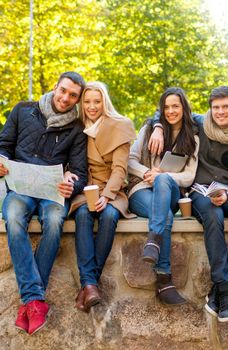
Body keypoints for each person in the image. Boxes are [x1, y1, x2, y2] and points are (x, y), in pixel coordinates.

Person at [148, 86, 228, 322]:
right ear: (210, 109)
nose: (220, 112)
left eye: (225, 107)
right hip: (201, 192)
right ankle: (226, 291)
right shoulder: (200, 123)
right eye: (215, 107)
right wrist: (158, 128)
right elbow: (168, 111)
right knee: (213, 216)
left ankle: (220, 288)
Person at [0, 71, 88, 335]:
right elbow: (2, 146)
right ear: (55, 87)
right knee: (12, 216)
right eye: (63, 91)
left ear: (77, 100)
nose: (65, 98)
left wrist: (73, 182)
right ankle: (35, 300)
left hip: (52, 192)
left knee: (55, 220)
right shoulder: (23, 111)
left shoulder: (77, 128)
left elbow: (79, 171)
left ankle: (30, 301)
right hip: (20, 188)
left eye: (73, 96)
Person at [127, 87, 199, 305]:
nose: (170, 111)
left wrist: (163, 176)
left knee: (163, 180)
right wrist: (146, 173)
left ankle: (154, 241)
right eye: (166, 107)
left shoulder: (193, 138)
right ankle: (164, 280)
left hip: (170, 192)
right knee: (165, 217)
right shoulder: (149, 130)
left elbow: (189, 176)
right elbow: (129, 161)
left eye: (175, 106)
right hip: (140, 190)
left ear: (184, 108)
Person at [69, 81, 136, 313]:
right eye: (87, 102)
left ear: (104, 102)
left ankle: (88, 284)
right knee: (83, 215)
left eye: (97, 101)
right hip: (87, 187)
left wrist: (107, 196)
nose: (92, 106)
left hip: (113, 188)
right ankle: (91, 286)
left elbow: (120, 169)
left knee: (108, 216)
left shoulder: (120, 125)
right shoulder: (77, 127)